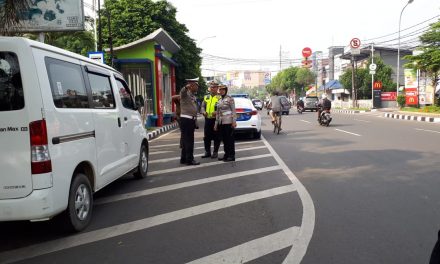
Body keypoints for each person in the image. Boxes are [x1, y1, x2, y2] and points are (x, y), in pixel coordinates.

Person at [179, 78, 200, 166]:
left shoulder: (192, 95)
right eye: (196, 85)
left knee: (185, 140)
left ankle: (183, 158)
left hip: (190, 120)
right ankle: (190, 159)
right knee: (189, 141)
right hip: (186, 119)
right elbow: (182, 92)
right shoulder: (186, 93)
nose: (197, 87)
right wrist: (185, 87)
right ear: (191, 86)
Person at [214, 85, 236, 162]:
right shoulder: (219, 100)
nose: (222, 91)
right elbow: (217, 113)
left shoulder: (230, 99)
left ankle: (231, 155)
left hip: (228, 121)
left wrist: (234, 122)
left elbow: (233, 111)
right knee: (224, 140)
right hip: (221, 122)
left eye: (223, 89)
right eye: (220, 90)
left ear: (226, 90)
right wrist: (216, 124)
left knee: (229, 139)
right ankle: (226, 155)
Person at [201, 81, 221, 159]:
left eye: (214, 87)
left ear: (217, 88)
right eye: (211, 87)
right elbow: (202, 106)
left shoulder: (220, 97)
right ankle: (207, 152)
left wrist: (217, 112)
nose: (212, 88)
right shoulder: (206, 97)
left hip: (216, 120)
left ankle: (215, 152)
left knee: (216, 137)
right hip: (208, 120)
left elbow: (223, 108)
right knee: (207, 137)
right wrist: (203, 111)